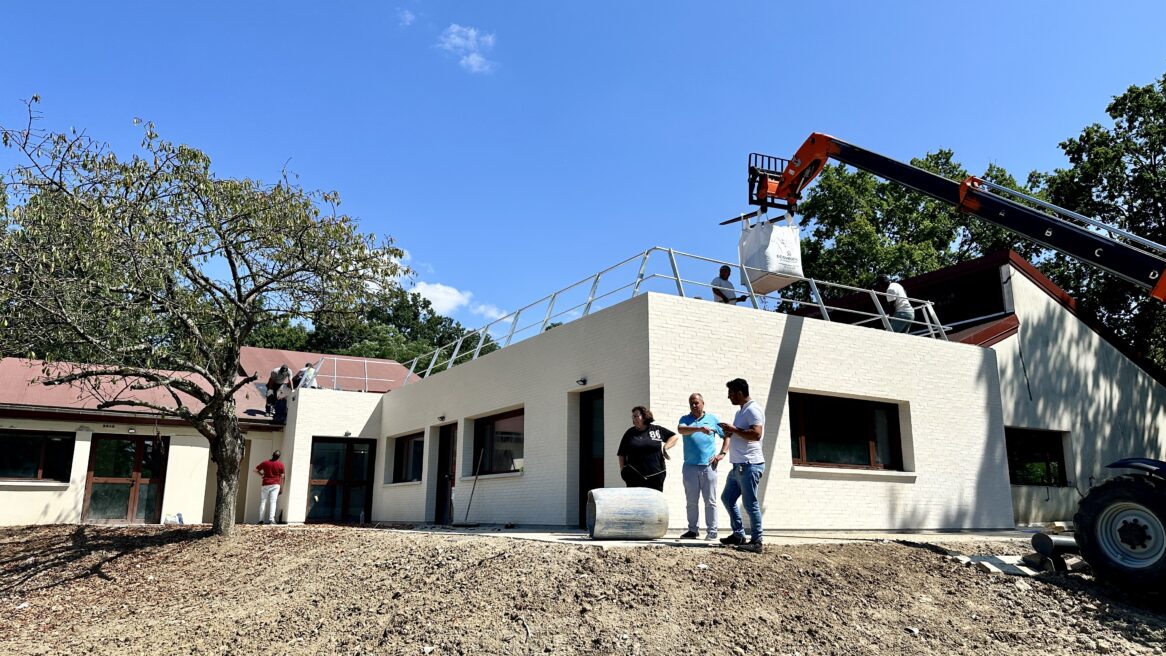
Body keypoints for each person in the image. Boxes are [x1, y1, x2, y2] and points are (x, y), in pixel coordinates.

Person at [717, 378, 766, 553]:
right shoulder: (741, 412)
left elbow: (756, 434)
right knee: (727, 498)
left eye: (730, 393)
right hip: (738, 466)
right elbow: (741, 434)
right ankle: (738, 534)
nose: (728, 397)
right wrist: (729, 431)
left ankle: (757, 541)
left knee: (750, 503)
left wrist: (734, 429)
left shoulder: (753, 410)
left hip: (750, 465)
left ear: (739, 393)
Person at [676, 393, 730, 540]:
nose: (694, 405)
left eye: (696, 403)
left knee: (710, 500)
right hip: (690, 467)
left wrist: (722, 454)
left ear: (703, 403)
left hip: (708, 466)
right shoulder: (685, 419)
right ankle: (693, 530)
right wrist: (699, 429)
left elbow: (727, 436)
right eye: (691, 403)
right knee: (691, 501)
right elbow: (681, 430)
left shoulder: (712, 420)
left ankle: (712, 531)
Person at [617, 406, 678, 491]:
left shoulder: (656, 430)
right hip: (634, 476)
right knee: (636, 502)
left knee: (654, 502)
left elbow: (674, 437)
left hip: (656, 475)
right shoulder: (629, 433)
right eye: (633, 416)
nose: (633, 418)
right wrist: (623, 470)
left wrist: (665, 447)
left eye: (636, 416)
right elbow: (621, 454)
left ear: (644, 416)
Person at [255, 450, 285, 525]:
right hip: (275, 484)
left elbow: (256, 470)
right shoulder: (280, 465)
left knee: (263, 502)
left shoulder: (265, 463)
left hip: (265, 484)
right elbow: (283, 476)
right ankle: (271, 520)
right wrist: (282, 487)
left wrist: (261, 475)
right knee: (273, 502)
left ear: (272, 455)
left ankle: (260, 520)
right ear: (279, 457)